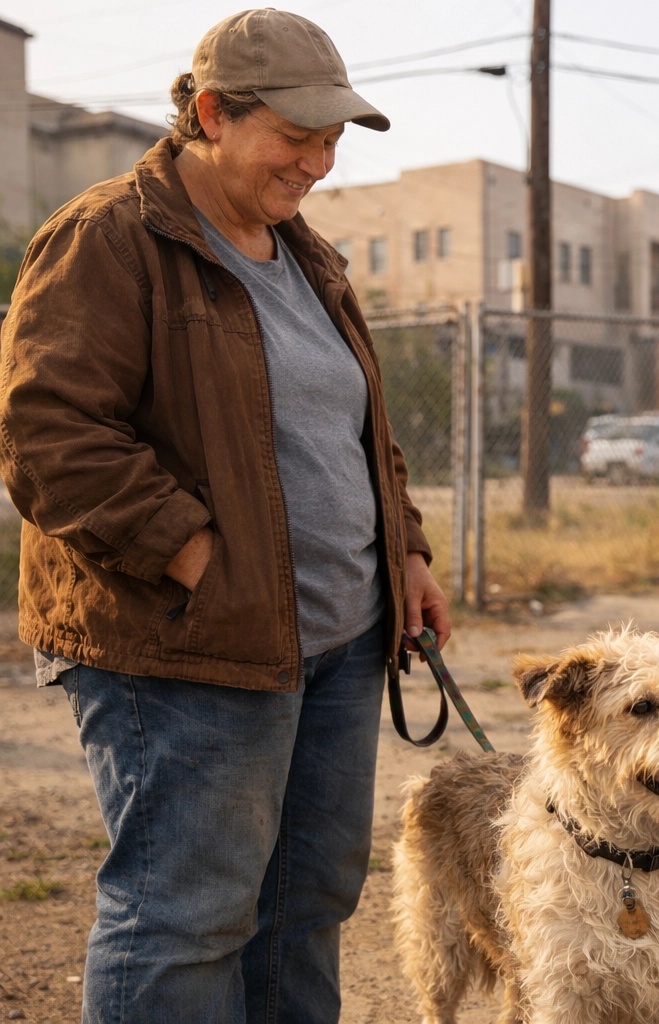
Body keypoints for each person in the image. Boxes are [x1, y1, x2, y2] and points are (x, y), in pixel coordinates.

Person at [0, 10, 450, 1023]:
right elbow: (46, 433)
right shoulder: (108, 236)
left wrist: (407, 555)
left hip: (339, 639)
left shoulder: (306, 253)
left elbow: (359, 429)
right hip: (188, 642)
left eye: (331, 140)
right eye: (296, 136)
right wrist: (199, 556)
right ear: (211, 114)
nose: (318, 163)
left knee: (306, 905)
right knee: (184, 919)